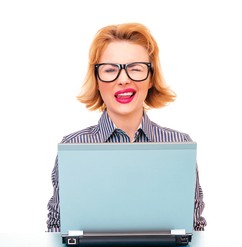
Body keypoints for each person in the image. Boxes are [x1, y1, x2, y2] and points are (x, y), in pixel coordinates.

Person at [47, 22, 206, 232]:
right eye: (110, 70)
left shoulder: (179, 145)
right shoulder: (73, 146)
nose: (123, 80)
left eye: (135, 69)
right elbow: (57, 228)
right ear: (97, 79)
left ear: (150, 78)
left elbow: (194, 228)